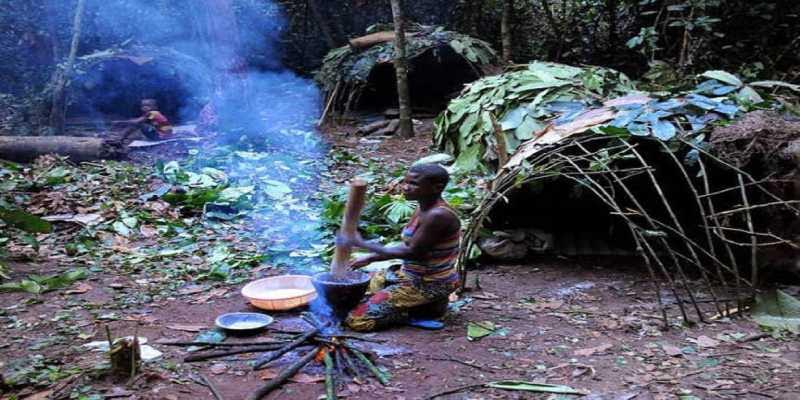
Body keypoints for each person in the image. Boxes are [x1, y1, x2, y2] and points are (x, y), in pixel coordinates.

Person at [339, 163, 461, 332]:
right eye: (405, 181)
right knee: (355, 285)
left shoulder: (438, 215)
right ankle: (427, 305)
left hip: (429, 282)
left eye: (413, 184)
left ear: (437, 187)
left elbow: (412, 252)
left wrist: (363, 244)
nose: (405, 187)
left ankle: (410, 313)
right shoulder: (423, 206)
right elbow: (409, 245)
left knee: (356, 320)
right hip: (409, 273)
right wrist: (370, 258)